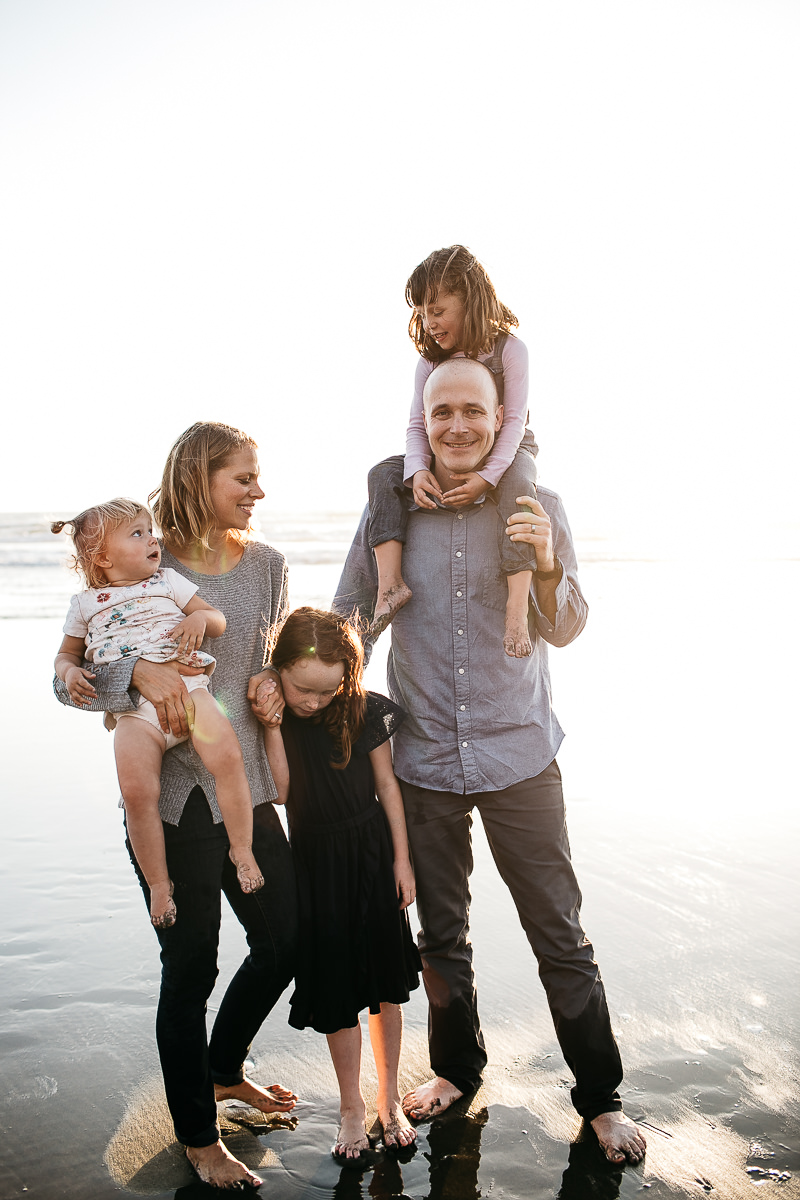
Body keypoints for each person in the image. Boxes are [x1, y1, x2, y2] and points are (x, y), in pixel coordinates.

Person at [334, 358, 647, 1166]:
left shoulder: (537, 504)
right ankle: (454, 1071)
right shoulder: (390, 512)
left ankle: (601, 1099)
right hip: (425, 757)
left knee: (560, 934)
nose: (458, 426)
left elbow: (569, 624)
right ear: (423, 420)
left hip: (520, 752)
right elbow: (347, 627)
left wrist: (544, 561)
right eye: (443, 413)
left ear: (501, 415)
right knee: (442, 936)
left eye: (475, 409)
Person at [53, 422, 297, 1190]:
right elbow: (68, 681)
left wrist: (269, 686)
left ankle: (224, 1069)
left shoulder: (268, 566)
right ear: (199, 479)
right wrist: (132, 676)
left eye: (258, 478)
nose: (258, 492)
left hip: (245, 785)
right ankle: (198, 1138)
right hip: (170, 803)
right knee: (190, 962)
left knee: (287, 940)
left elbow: (269, 662)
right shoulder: (134, 562)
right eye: (244, 479)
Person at [53, 497, 265, 929]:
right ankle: (160, 885)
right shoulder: (85, 605)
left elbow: (215, 617)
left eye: (150, 530)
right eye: (138, 534)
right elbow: (64, 658)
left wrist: (201, 621)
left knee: (228, 758)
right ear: (101, 557)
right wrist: (71, 671)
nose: (153, 539)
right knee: (136, 793)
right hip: (134, 714)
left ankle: (241, 849)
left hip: (191, 692)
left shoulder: (167, 581)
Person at [262, 607, 421, 1164]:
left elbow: (388, 786)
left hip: (372, 852)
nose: (315, 702)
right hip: (313, 858)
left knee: (384, 983)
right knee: (335, 985)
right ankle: (351, 1105)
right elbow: (282, 792)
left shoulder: (365, 710)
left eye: (329, 692)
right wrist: (274, 723)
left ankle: (388, 1098)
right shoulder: (278, 714)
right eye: (305, 689)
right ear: (279, 668)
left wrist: (403, 861)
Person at [367, 244, 538, 658]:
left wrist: (488, 477)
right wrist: (415, 470)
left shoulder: (510, 350)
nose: (430, 322)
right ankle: (391, 584)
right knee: (382, 475)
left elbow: (513, 422)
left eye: (438, 310)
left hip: (509, 449)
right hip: (440, 449)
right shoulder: (429, 360)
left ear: (470, 301)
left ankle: (517, 604)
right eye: (423, 312)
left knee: (519, 491)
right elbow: (416, 425)